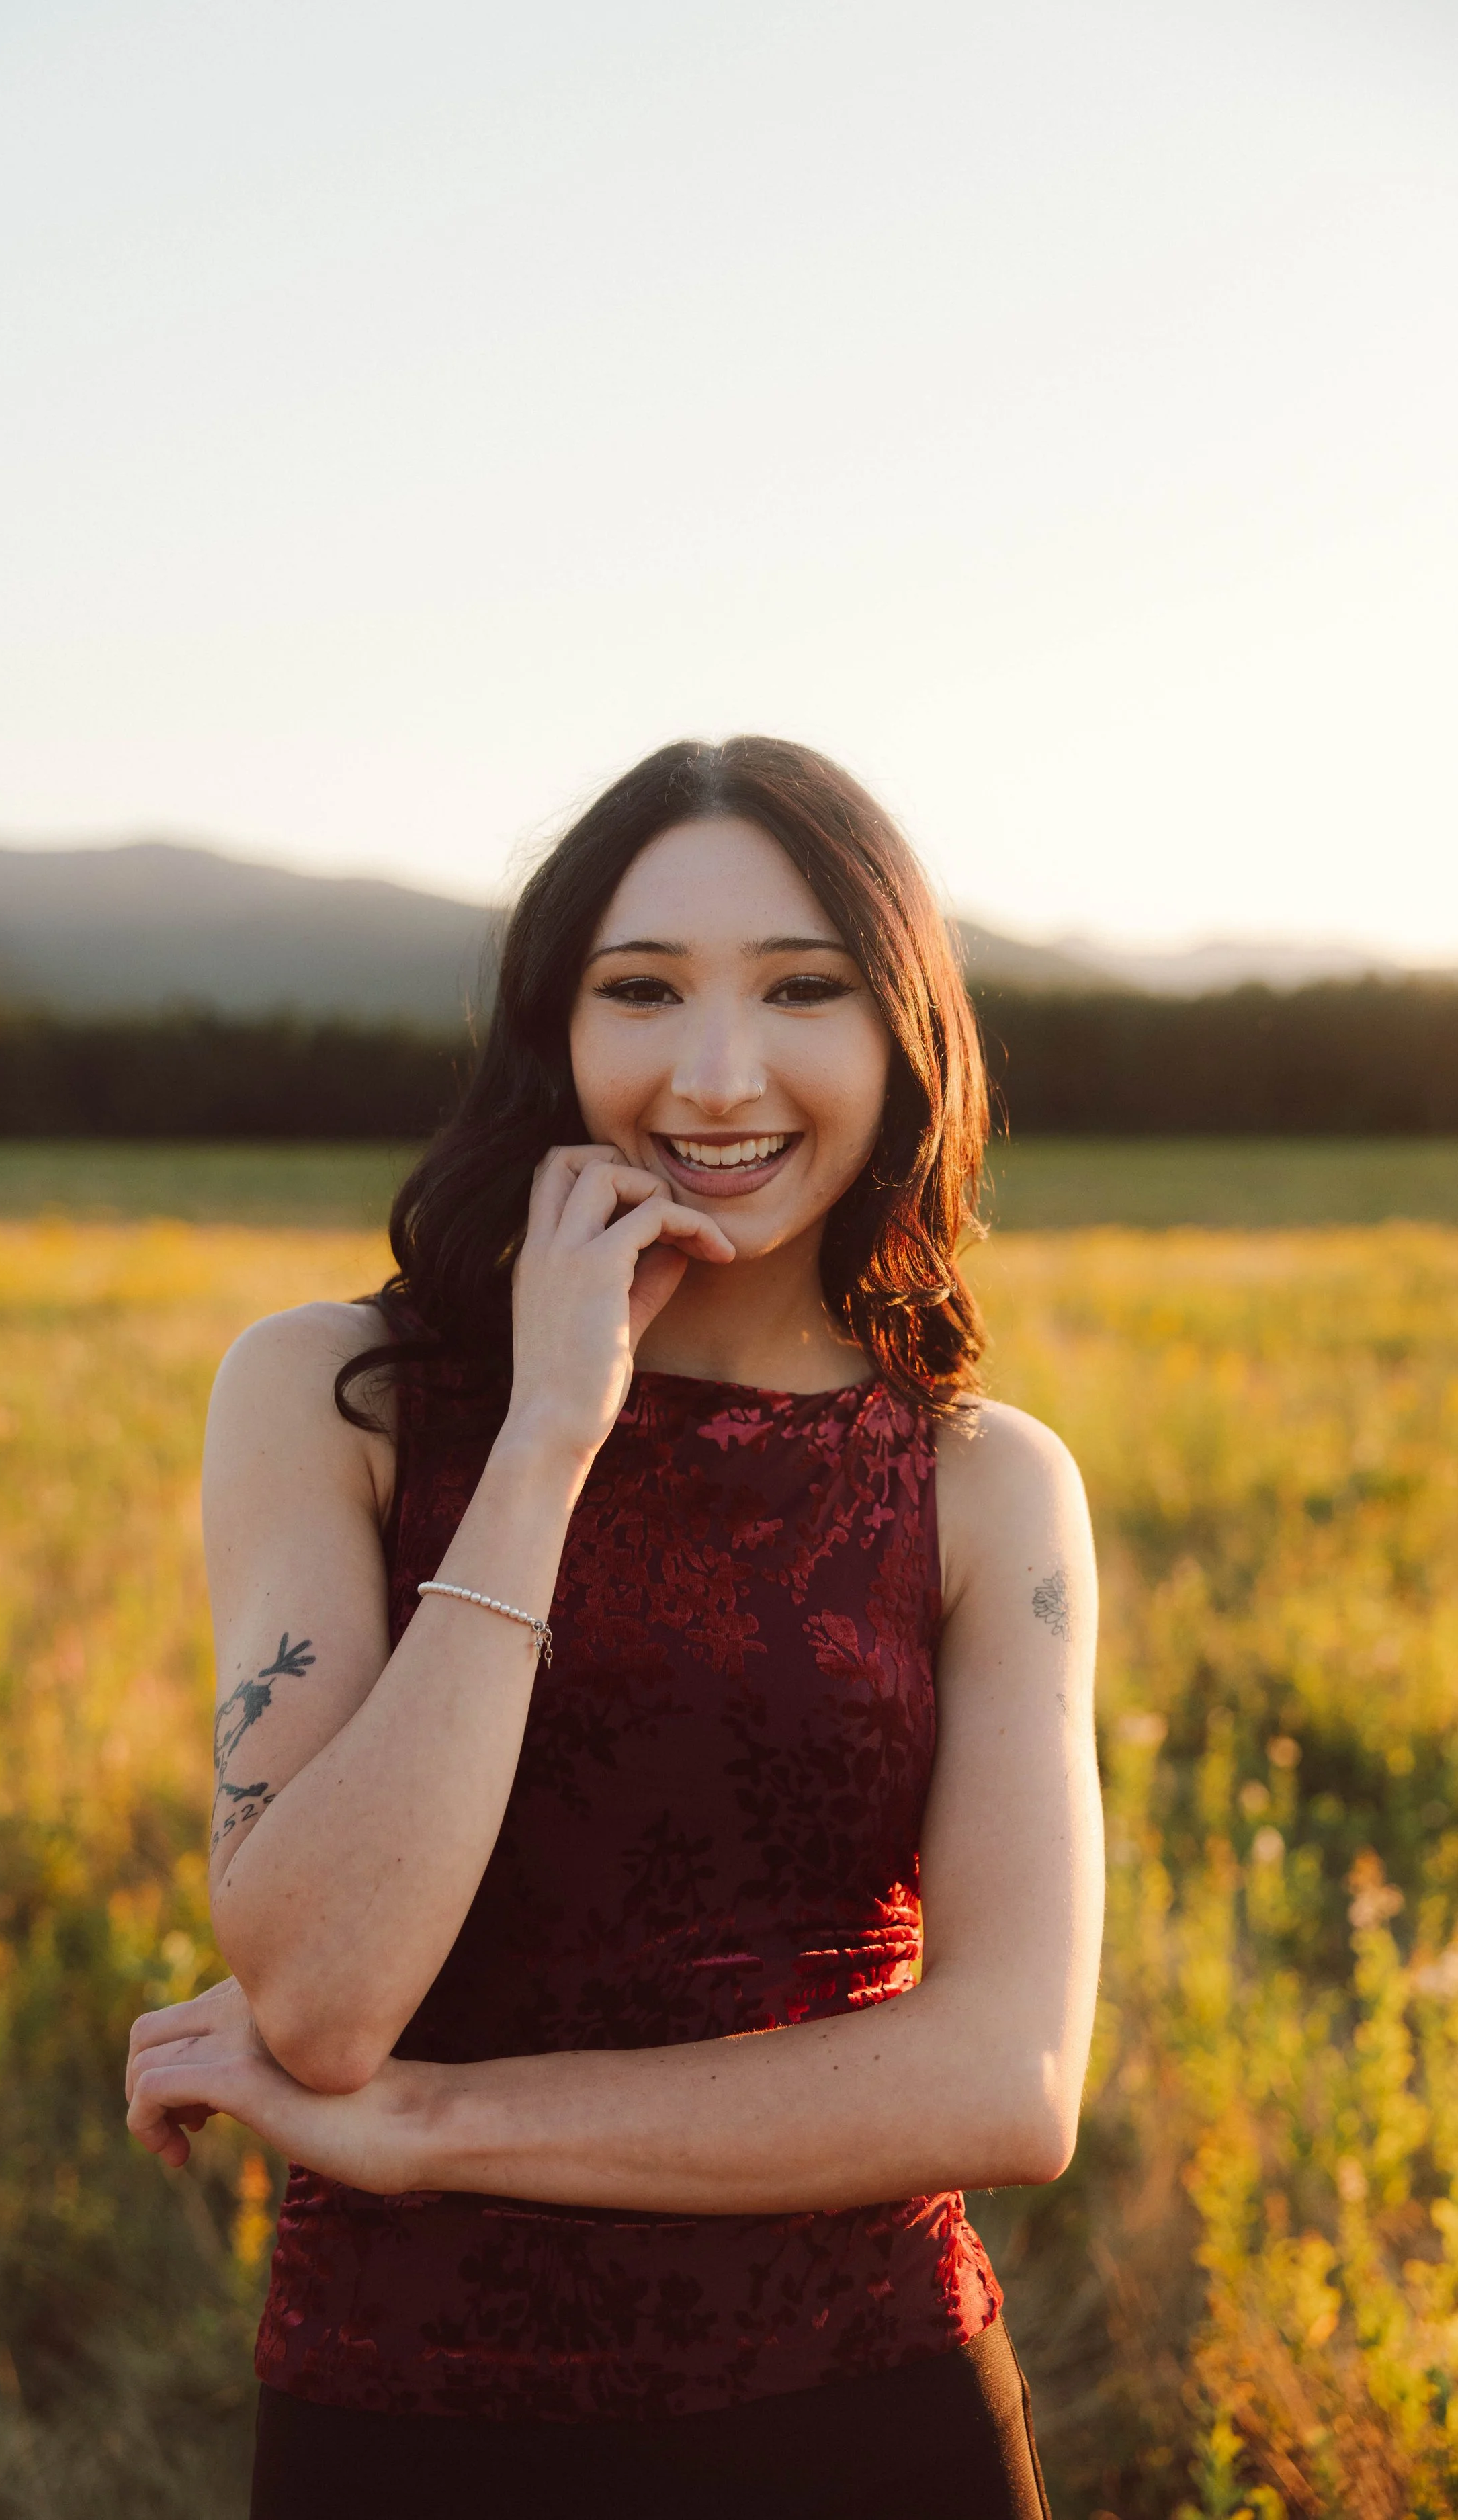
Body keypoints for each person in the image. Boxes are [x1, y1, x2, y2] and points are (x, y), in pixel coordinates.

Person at [125, 737, 1103, 2520]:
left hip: (868, 2414)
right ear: (550, 1034)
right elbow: (326, 1998)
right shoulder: (329, 1395)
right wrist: (548, 1430)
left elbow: (1006, 2076)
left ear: (902, 1035)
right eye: (639, 988)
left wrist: (443, 2128)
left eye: (803, 988)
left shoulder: (982, 1483)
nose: (716, 1072)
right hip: (405, 2429)